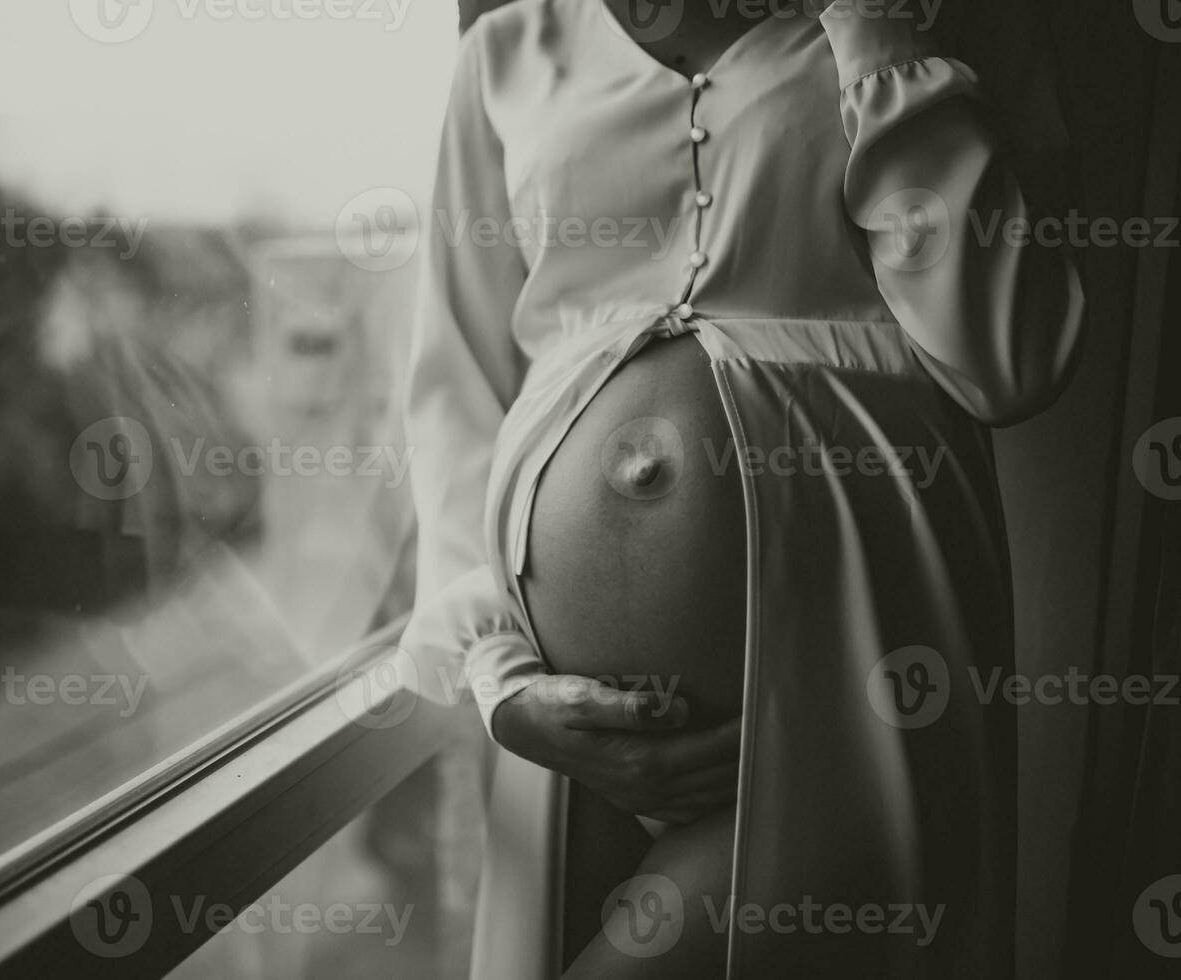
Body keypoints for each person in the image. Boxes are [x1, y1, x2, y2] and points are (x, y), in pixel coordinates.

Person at [401, 0, 1084, 975]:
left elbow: (1008, 360)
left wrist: (876, 36)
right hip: (570, 720)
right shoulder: (507, 52)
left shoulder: (942, 22)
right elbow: (457, 392)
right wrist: (499, 679)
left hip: (859, 666)